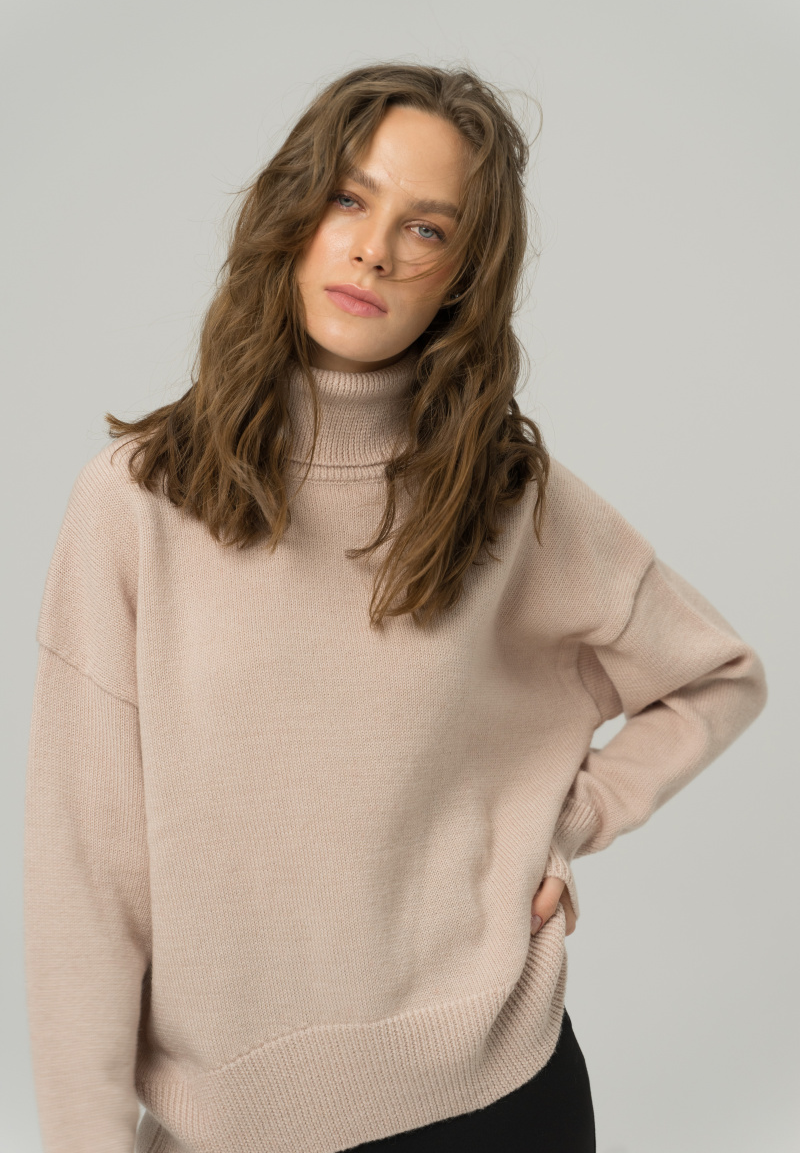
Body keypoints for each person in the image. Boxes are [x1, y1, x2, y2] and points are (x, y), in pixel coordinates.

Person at [23, 62, 767, 1153]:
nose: (373, 249)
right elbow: (84, 882)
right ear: (292, 214)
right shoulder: (137, 502)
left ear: (463, 278)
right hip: (234, 1122)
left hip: (492, 1092)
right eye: (348, 198)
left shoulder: (501, 495)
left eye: (426, 229)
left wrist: (565, 822)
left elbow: (718, 676)